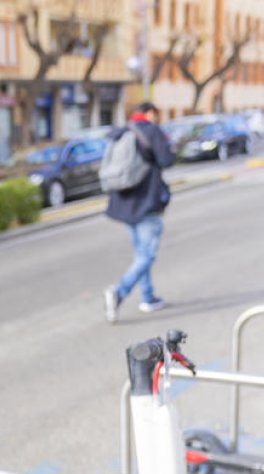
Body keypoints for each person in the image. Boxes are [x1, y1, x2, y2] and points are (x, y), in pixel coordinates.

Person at [104, 101, 176, 322]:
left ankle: (147, 297)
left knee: (140, 253)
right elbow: (166, 159)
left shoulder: (121, 133)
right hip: (147, 201)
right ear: (149, 113)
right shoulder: (151, 131)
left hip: (125, 203)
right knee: (147, 255)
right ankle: (119, 292)